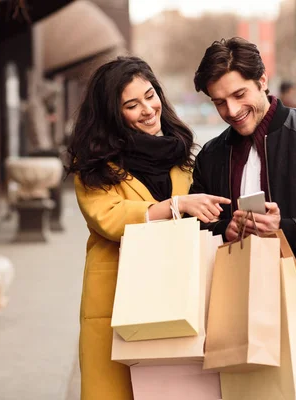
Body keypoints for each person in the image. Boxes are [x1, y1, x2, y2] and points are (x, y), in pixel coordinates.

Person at [191, 37, 296, 400]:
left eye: (239, 95)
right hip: (237, 316)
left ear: (262, 80)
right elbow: (199, 227)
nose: (232, 110)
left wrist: (285, 228)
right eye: (219, 102)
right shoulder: (211, 155)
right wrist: (226, 229)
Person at [65, 56, 230, 400]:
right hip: (118, 300)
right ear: (113, 114)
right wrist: (175, 206)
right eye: (131, 104)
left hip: (178, 294)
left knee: (177, 389)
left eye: (150, 95)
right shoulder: (94, 165)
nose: (147, 109)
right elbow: (108, 218)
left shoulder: (183, 153)